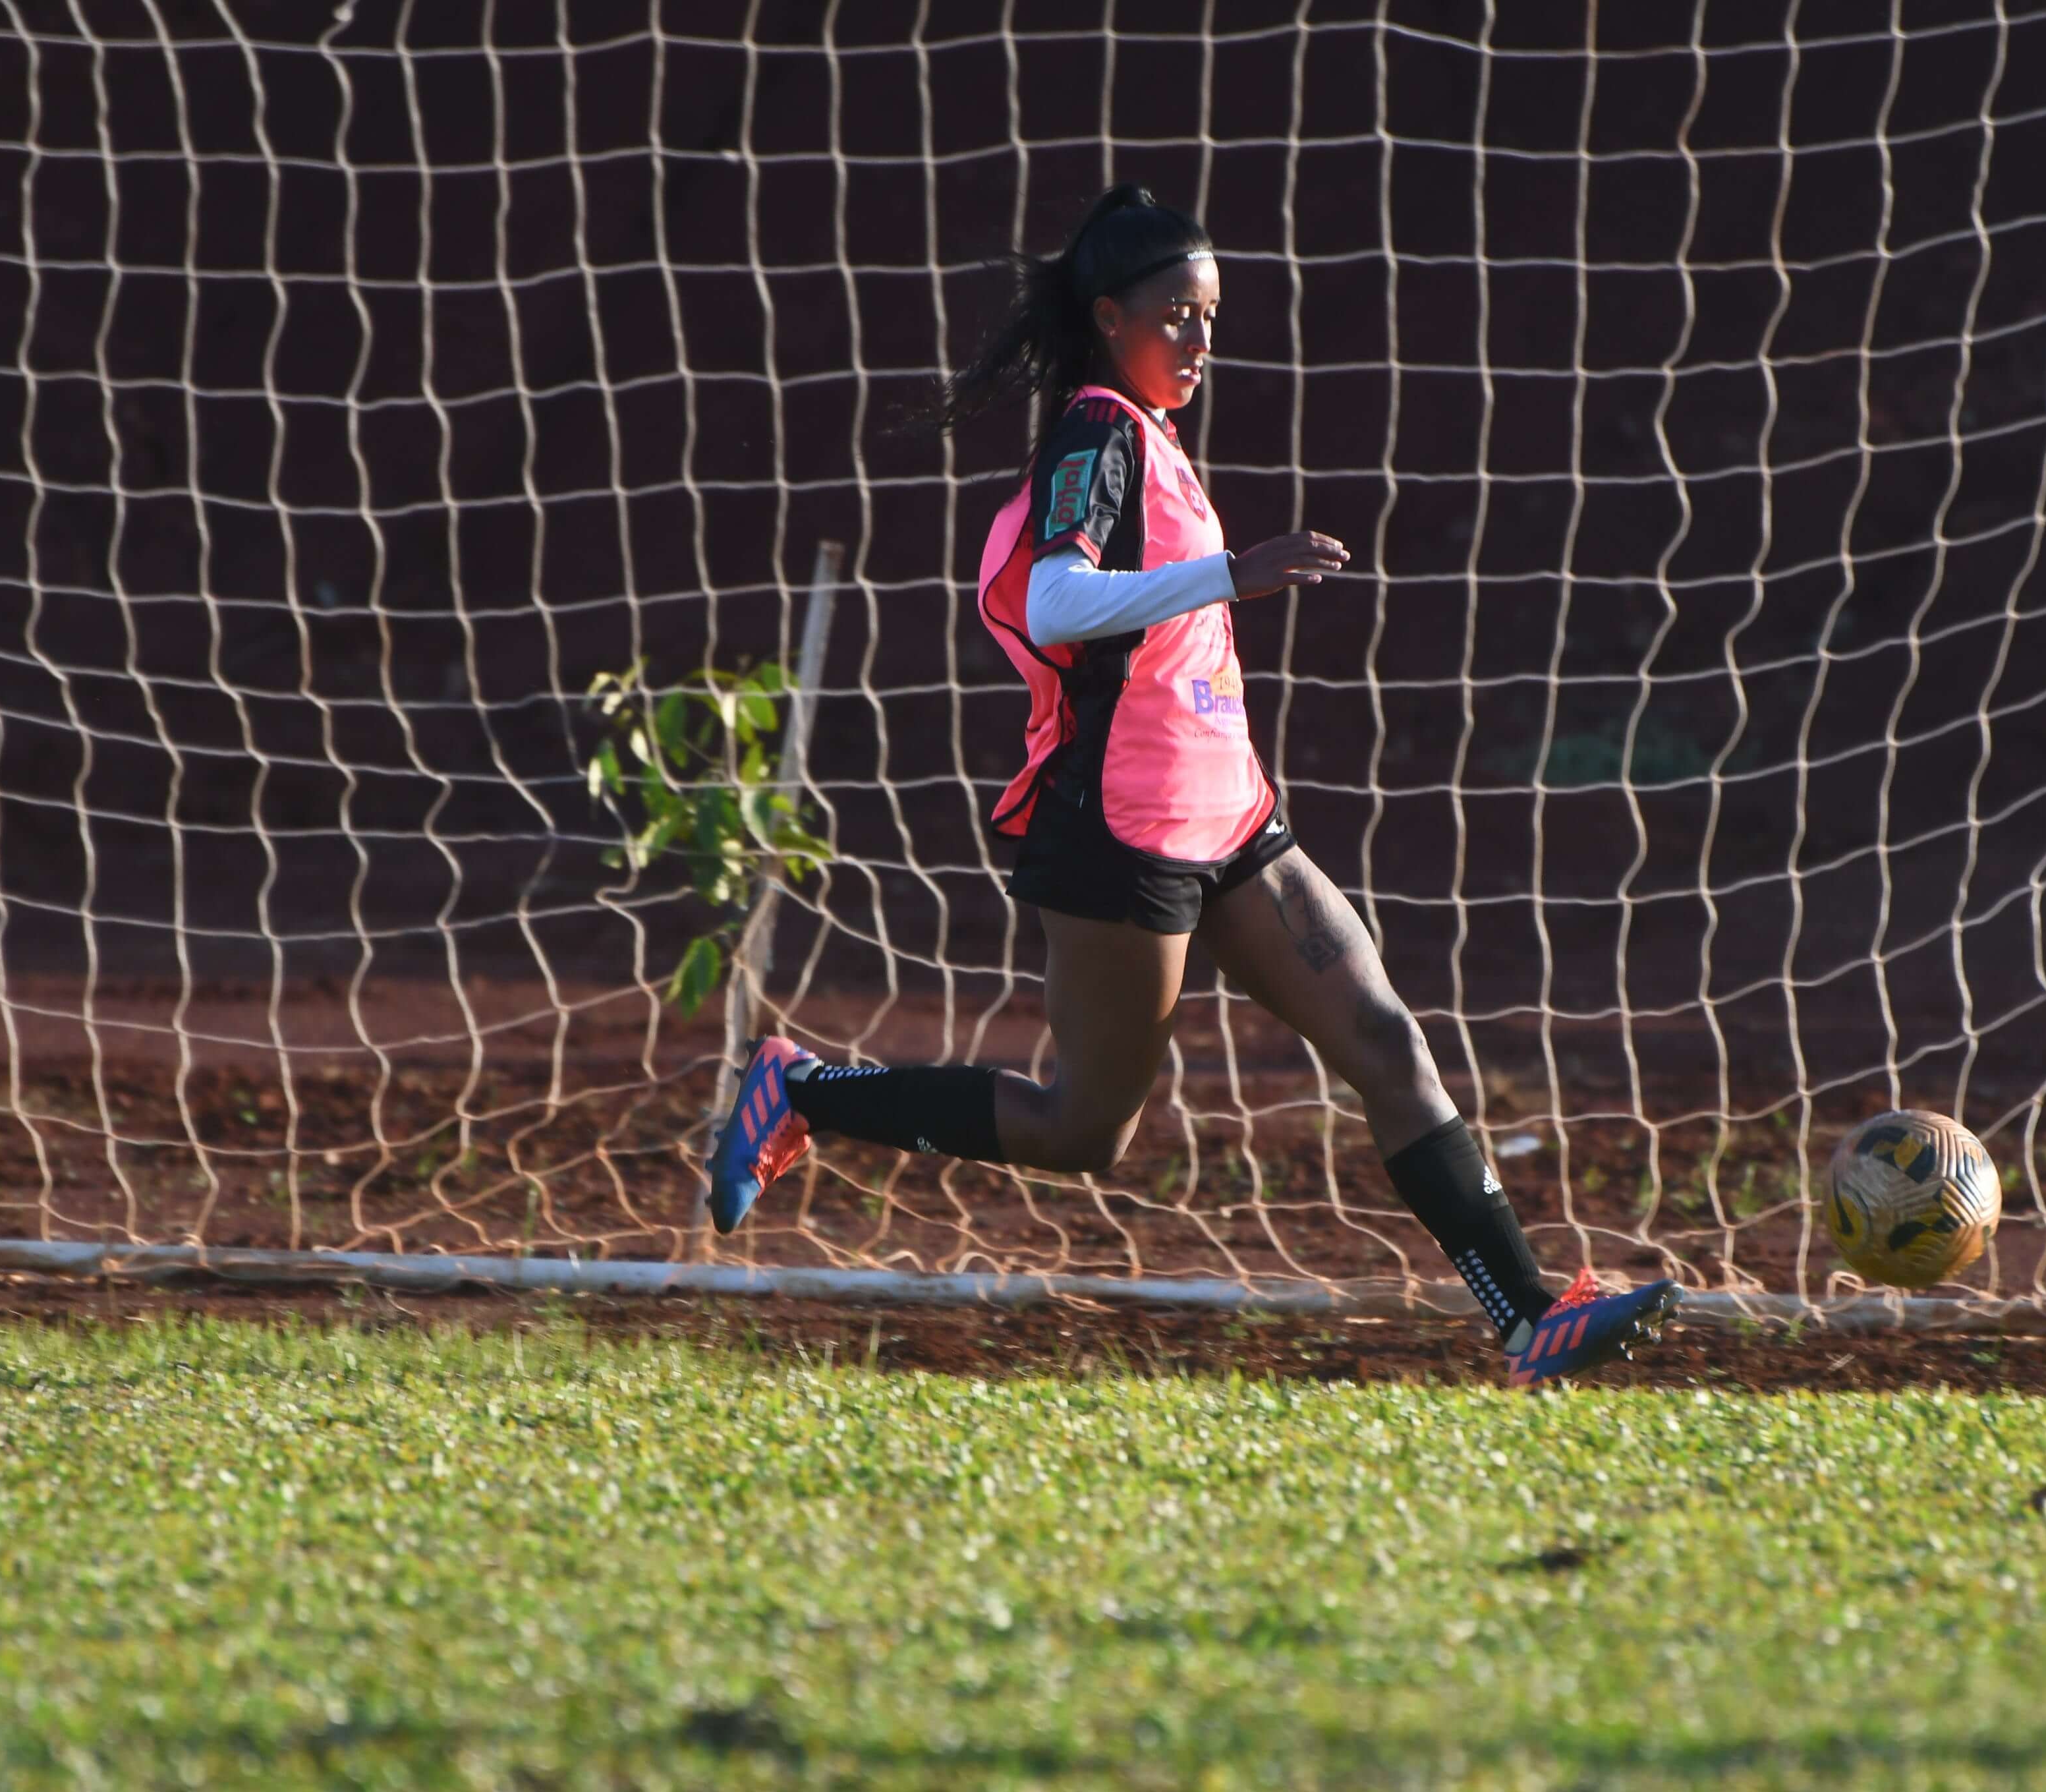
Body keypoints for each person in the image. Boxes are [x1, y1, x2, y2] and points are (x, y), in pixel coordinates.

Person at [706, 185, 1676, 1385]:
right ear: (1110, 318)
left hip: (1236, 821)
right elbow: (1060, 598)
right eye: (1179, 315)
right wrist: (1233, 572)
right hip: (1124, 833)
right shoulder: (1097, 432)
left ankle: (1529, 1316)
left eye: (1212, 315)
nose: (1201, 341)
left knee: (1385, 1041)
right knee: (1084, 1131)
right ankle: (805, 1088)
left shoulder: (1151, 437)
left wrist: (1222, 580)